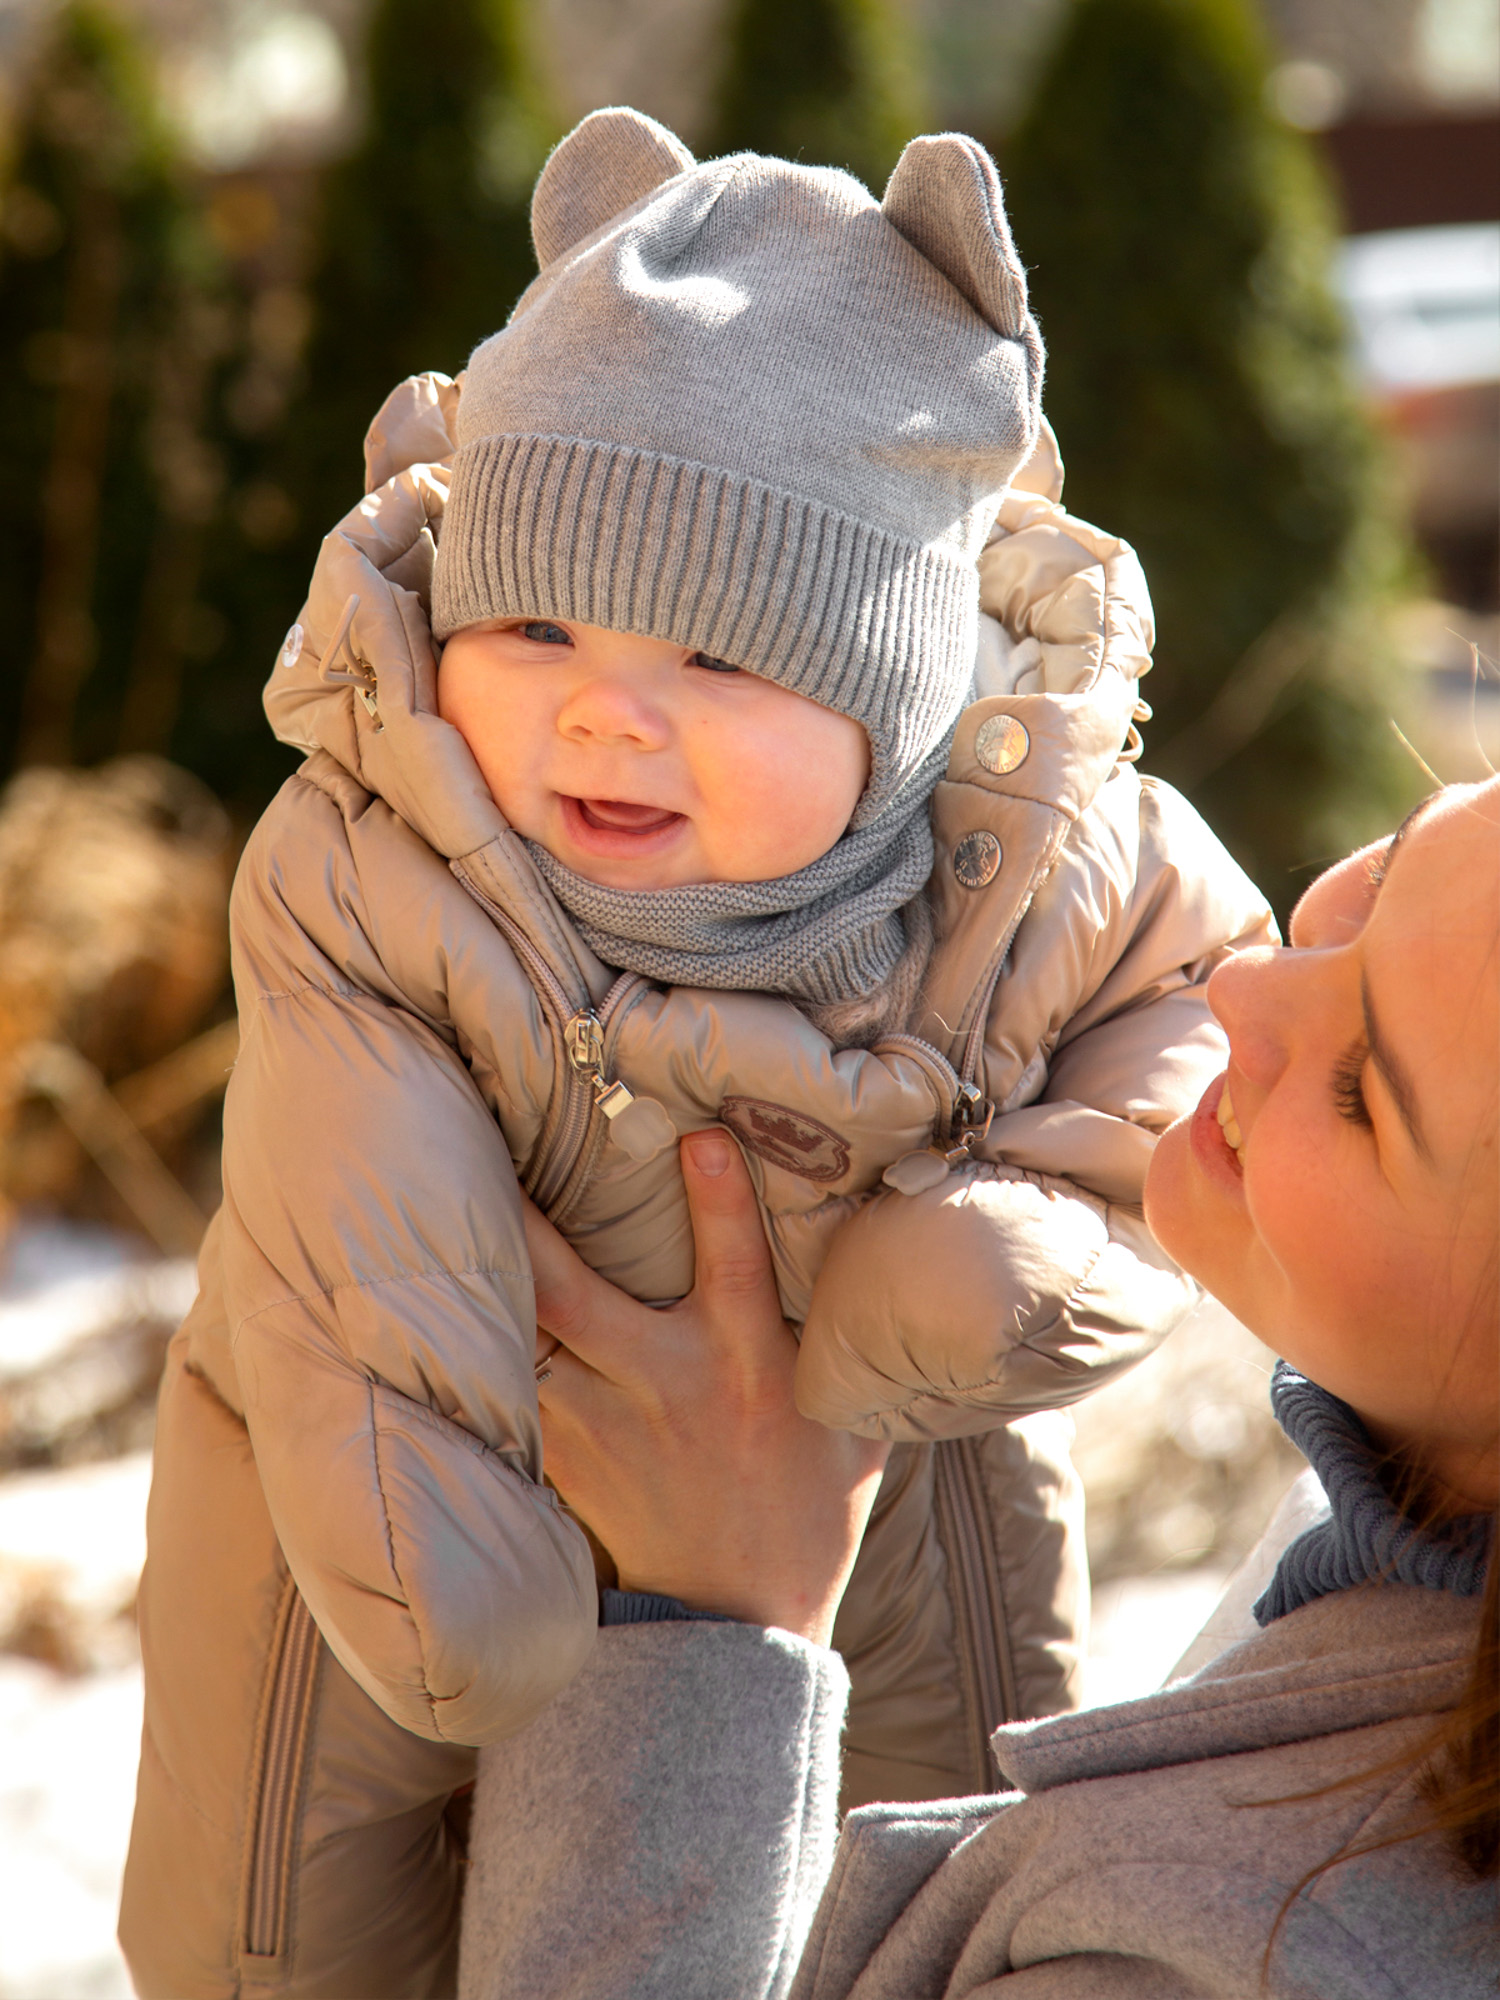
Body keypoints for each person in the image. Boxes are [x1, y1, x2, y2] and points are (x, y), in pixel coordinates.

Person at [119, 109, 1273, 1994]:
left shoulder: (1045, 856)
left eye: (720, 662)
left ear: (898, 697)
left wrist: (1002, 1252)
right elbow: (355, 1223)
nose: (603, 716)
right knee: (308, 1929)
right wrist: (446, 1574)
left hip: (892, 1530)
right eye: (538, 622)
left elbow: (1200, 1028)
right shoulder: (375, 858)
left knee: (906, 1906)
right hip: (381, 1538)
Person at [456, 779, 1500, 1999]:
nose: (1244, 987)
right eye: (1387, 873)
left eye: (1363, 1092)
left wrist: (710, 1634)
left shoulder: (1246, 1963)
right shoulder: (1398, 1503)